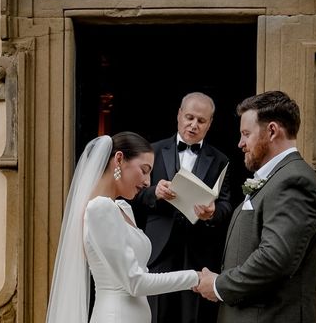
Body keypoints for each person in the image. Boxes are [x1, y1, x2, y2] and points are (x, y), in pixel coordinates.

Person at [195, 90, 316, 323]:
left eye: (246, 134)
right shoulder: (277, 177)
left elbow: (274, 259)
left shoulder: (294, 181)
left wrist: (218, 285)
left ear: (272, 131)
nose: (240, 143)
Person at [45, 131, 200, 323]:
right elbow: (135, 282)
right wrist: (196, 278)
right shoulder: (100, 209)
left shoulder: (122, 208)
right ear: (119, 159)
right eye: (144, 170)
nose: (147, 182)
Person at [133, 92, 233, 323]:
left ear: (210, 124)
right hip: (158, 250)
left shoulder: (220, 160)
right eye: (189, 117)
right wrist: (154, 192)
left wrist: (213, 212)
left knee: (193, 317)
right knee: (155, 314)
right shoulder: (153, 151)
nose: (193, 125)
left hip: (198, 252)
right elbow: (132, 194)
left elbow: (227, 204)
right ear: (179, 115)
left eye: (201, 120)